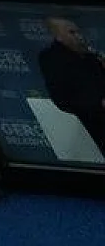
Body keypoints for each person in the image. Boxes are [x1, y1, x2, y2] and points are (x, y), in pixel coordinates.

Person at [36, 17, 105, 156]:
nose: (79, 36)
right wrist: (98, 103)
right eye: (72, 33)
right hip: (93, 119)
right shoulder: (51, 58)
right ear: (58, 36)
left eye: (78, 32)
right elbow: (63, 98)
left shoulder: (90, 55)